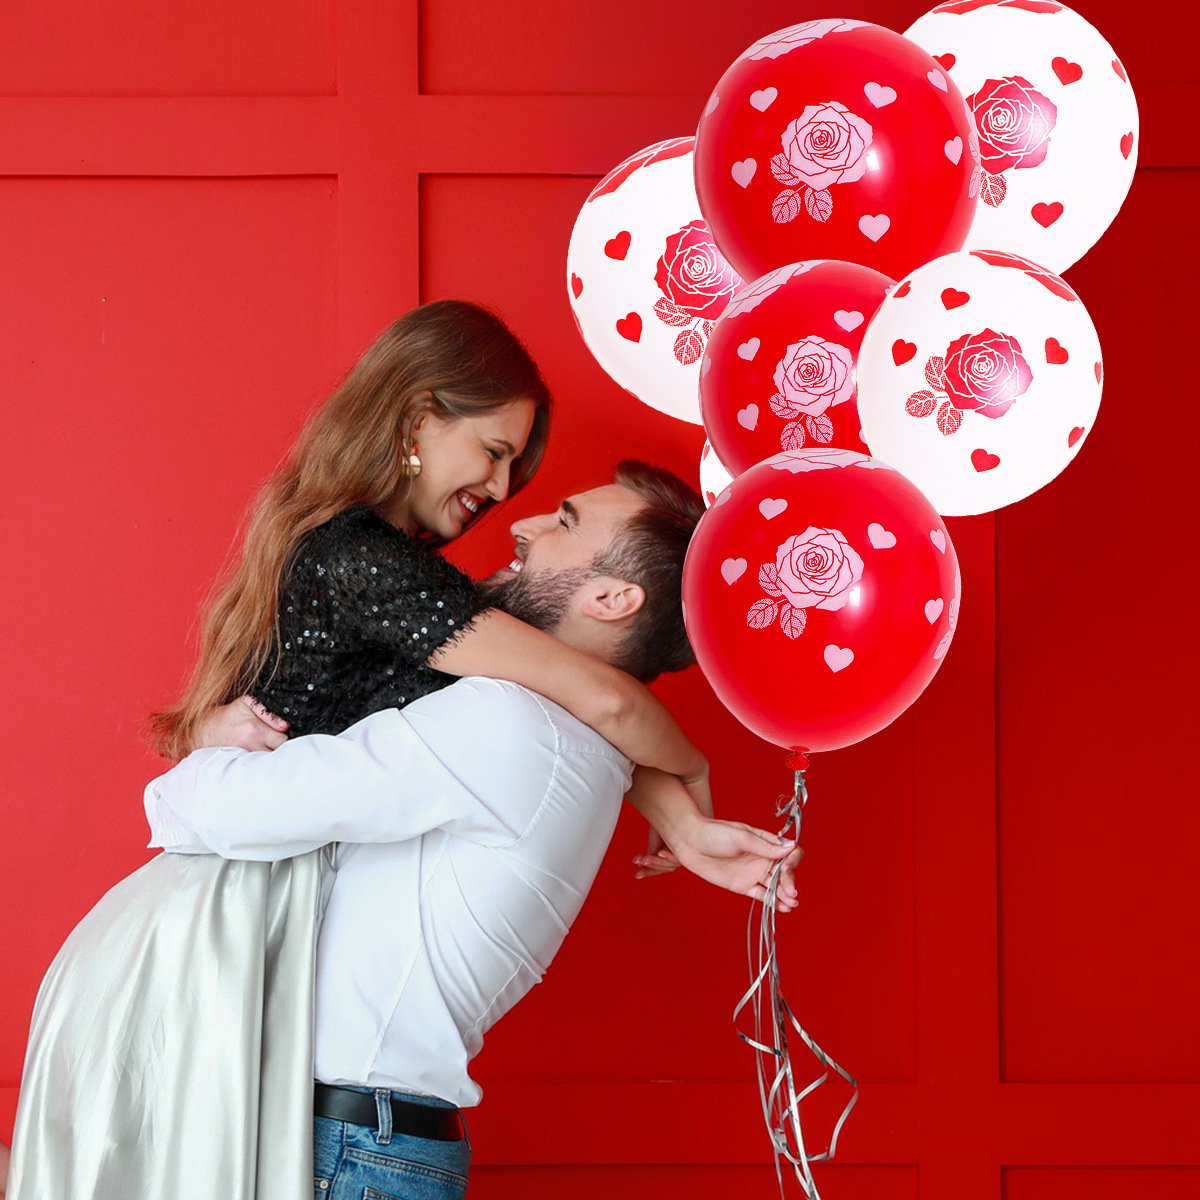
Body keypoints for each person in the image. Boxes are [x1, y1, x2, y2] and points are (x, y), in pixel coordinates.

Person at [5, 302, 722, 1199]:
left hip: (243, 913)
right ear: (420, 419)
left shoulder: (428, 610)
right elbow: (603, 696)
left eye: (537, 490)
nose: (509, 501)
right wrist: (681, 783)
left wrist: (664, 791)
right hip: (217, 918)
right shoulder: (366, 562)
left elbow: (594, 699)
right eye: (496, 453)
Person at [141, 465, 802, 1199]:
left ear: (612, 597)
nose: (523, 524)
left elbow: (208, 812)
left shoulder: (506, 724)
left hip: (347, 1148)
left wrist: (208, 740)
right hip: (366, 1142)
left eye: (565, 520)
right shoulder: (577, 744)